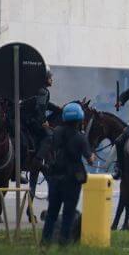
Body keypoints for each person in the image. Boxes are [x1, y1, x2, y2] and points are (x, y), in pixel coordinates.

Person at [41, 102, 96, 246]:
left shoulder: (57, 132)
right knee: (68, 214)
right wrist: (92, 155)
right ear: (79, 120)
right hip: (72, 181)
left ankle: (45, 242)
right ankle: (64, 244)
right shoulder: (80, 138)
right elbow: (90, 160)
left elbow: (50, 144)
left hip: (55, 178)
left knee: (52, 214)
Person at [22, 68, 60, 158]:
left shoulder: (38, 89)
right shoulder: (44, 91)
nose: (52, 80)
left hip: (24, 118)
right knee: (50, 136)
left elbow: (46, 104)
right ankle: (38, 160)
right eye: (50, 78)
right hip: (30, 120)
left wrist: (57, 108)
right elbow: (40, 108)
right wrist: (43, 121)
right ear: (45, 78)